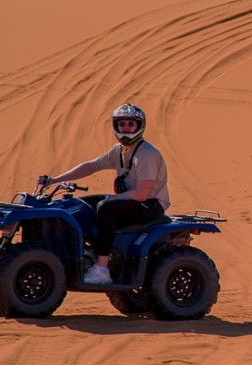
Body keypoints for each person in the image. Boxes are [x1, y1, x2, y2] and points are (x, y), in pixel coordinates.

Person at [39, 103, 170, 285]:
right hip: (134, 200)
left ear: (139, 126)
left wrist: (112, 198)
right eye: (121, 124)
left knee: (106, 207)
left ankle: (102, 269)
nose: (126, 128)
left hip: (150, 204)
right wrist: (54, 180)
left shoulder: (147, 154)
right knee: (83, 204)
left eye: (130, 124)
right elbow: (91, 166)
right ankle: (90, 249)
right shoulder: (120, 150)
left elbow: (142, 194)